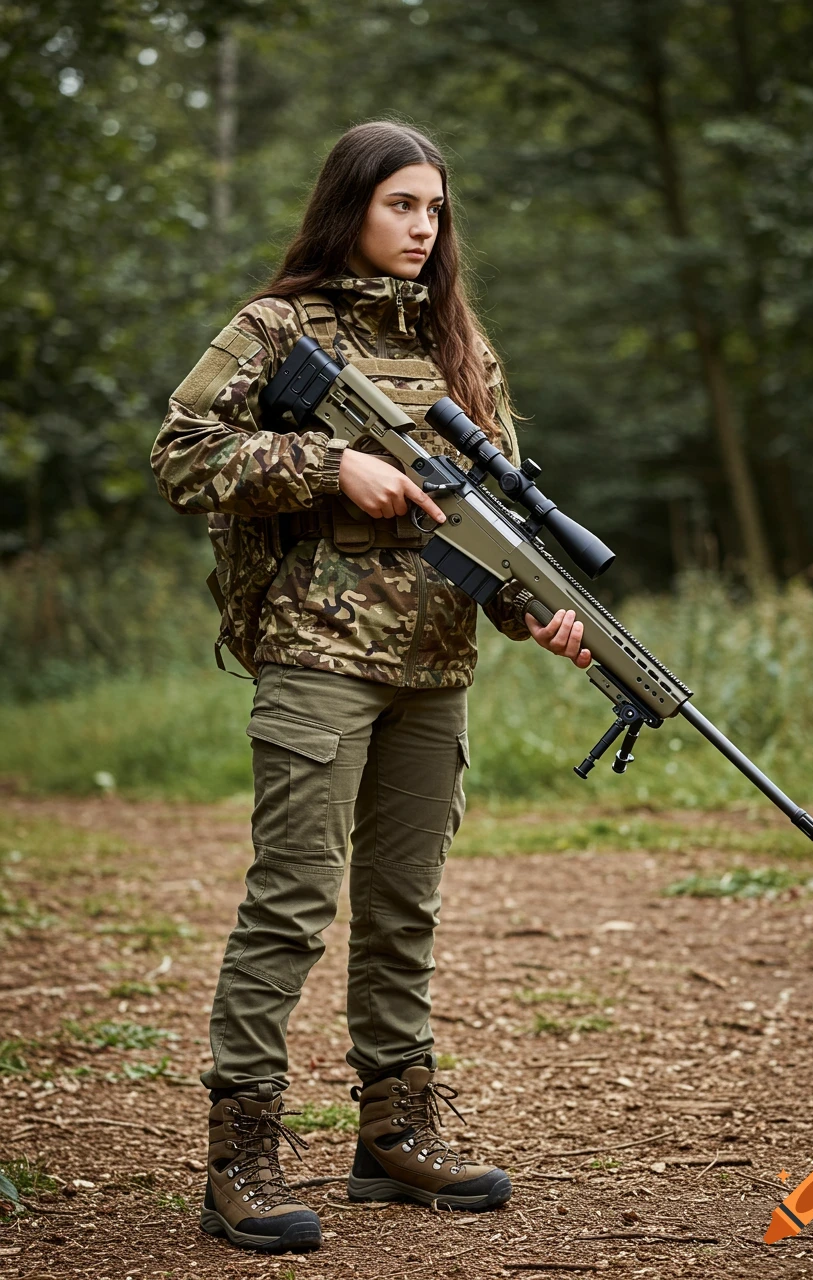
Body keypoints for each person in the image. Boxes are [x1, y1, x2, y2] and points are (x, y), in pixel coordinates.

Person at [151, 120, 590, 1256]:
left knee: (404, 907)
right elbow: (180, 450)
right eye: (401, 204)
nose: (421, 228)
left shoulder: (458, 348)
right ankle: (238, 1153)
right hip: (314, 658)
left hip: (433, 669)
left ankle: (392, 1135)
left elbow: (484, 528)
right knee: (292, 902)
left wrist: (532, 612)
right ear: (349, 204)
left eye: (435, 210)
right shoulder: (275, 326)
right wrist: (327, 462)